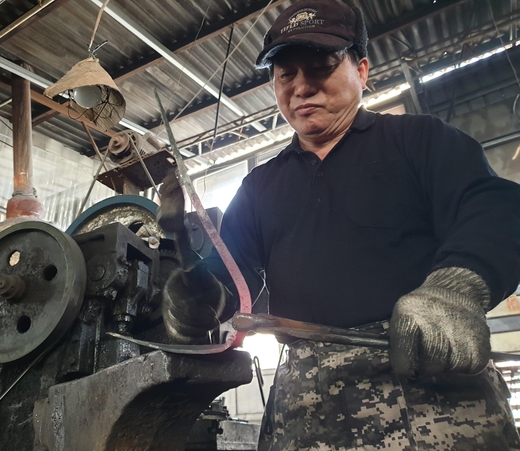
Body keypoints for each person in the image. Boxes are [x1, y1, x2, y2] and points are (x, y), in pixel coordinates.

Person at [157, 0, 520, 449]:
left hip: (433, 392)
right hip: (305, 406)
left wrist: (457, 288)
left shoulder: (420, 141)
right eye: (286, 75)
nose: (302, 87)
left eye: (321, 67)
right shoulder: (258, 187)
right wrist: (200, 298)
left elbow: (497, 207)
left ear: (362, 70)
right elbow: (232, 278)